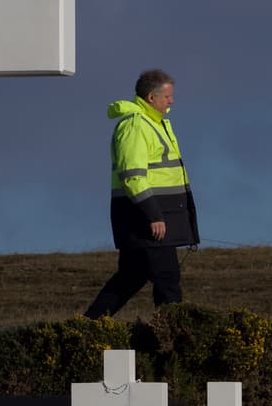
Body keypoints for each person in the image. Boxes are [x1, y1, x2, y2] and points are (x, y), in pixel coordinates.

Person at [84, 69, 199, 318]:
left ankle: (86, 328)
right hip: (147, 219)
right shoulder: (136, 126)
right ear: (151, 97)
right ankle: (172, 338)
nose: (172, 101)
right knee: (167, 279)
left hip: (148, 217)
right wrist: (154, 215)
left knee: (131, 277)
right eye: (168, 96)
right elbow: (132, 176)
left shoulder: (154, 123)